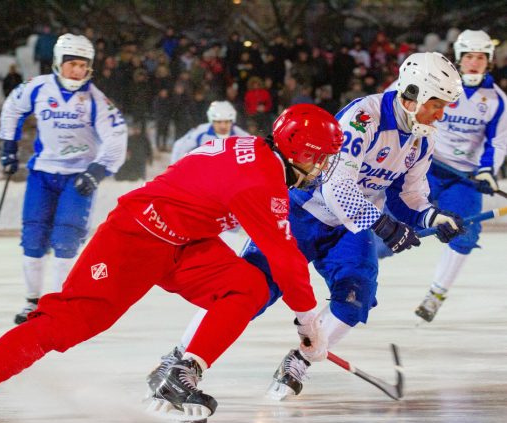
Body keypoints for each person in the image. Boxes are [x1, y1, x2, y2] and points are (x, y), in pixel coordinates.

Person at [0, 104, 344, 423]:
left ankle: (181, 371)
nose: (323, 167)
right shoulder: (260, 180)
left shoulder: (253, 151)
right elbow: (287, 262)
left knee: (247, 286)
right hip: (136, 237)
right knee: (72, 321)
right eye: (319, 158)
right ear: (297, 151)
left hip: (185, 242)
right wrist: (311, 328)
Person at [145, 52, 468, 401]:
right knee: (252, 288)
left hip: (350, 228)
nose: (442, 113)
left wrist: (431, 217)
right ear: (415, 93)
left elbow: (410, 194)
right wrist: (384, 226)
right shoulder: (364, 117)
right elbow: (335, 185)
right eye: (438, 104)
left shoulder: (423, 138)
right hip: (302, 212)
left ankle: (299, 361)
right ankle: (179, 360)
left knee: (355, 297)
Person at [0, 34, 128, 325]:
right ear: (58, 63)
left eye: (83, 65)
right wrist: (8, 147)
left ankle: (60, 304)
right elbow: (11, 109)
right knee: (33, 236)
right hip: (42, 173)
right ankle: (32, 302)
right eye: (72, 65)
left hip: (78, 177)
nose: (78, 71)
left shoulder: (96, 100)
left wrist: (97, 171)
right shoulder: (37, 88)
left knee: (66, 237)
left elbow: (117, 138)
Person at [413, 31, 507, 322]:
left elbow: (497, 141)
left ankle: (436, 294)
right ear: (459, 58)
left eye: (480, 57)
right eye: (468, 57)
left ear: (488, 61)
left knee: (464, 234)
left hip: (463, 178)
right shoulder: (440, 86)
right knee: (393, 222)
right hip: (426, 168)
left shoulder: (496, 100)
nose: (474, 63)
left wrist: (487, 170)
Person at [171, 101, 249, 163]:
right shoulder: (200, 132)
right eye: (219, 122)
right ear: (212, 121)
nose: (223, 126)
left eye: (227, 122)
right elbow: (179, 146)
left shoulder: (241, 135)